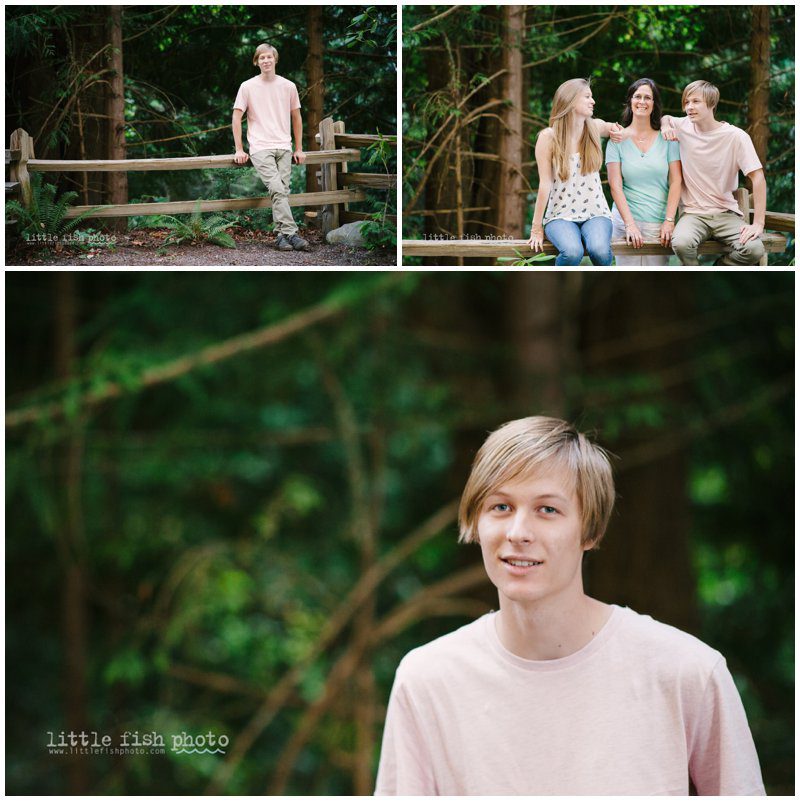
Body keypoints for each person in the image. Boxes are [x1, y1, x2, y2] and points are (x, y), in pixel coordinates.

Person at [374, 416, 765, 795]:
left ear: (591, 531)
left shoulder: (687, 673)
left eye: (548, 509)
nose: (518, 533)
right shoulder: (427, 680)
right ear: (477, 522)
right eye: (501, 507)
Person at [660, 80, 766, 265]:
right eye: (686, 102)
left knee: (754, 249)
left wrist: (758, 223)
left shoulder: (736, 137)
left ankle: (720, 267)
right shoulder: (682, 126)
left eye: (695, 102)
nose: (689, 107)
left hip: (726, 213)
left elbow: (758, 178)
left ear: (711, 104)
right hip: (693, 215)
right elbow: (666, 117)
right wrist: (665, 126)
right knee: (682, 243)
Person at [528, 79, 618, 266]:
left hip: (596, 213)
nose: (593, 101)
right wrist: (536, 228)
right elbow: (544, 184)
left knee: (600, 251)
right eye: (587, 96)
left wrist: (619, 131)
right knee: (572, 252)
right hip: (559, 216)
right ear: (570, 101)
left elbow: (615, 129)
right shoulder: (548, 138)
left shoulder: (593, 128)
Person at [232, 43, 309, 252]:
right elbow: (237, 117)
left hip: (284, 146)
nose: (266, 60)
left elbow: (297, 118)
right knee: (277, 188)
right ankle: (292, 233)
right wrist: (239, 149)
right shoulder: (247, 86)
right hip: (260, 147)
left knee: (282, 191)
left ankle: (280, 236)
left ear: (275, 59)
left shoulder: (288, 86)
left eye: (269, 57)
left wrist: (299, 148)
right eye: (261, 58)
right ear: (256, 62)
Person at [606, 78, 682, 266]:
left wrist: (669, 221)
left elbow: (676, 182)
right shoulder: (616, 140)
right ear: (630, 101)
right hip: (624, 222)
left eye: (647, 97)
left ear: (654, 104)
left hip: (658, 224)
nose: (642, 101)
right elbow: (615, 187)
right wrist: (629, 224)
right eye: (637, 96)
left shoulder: (668, 139)